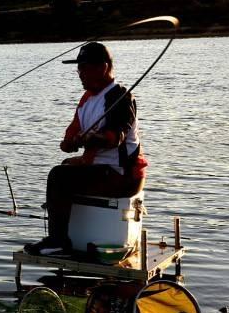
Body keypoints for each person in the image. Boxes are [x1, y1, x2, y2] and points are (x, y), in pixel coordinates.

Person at [25, 41, 147, 254]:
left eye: (85, 67)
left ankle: (58, 241)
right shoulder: (87, 99)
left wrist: (88, 140)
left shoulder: (120, 97)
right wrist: (70, 144)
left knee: (59, 177)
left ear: (104, 68)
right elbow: (71, 134)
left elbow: (113, 138)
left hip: (123, 175)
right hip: (102, 171)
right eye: (79, 68)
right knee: (64, 167)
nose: (80, 73)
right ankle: (67, 235)